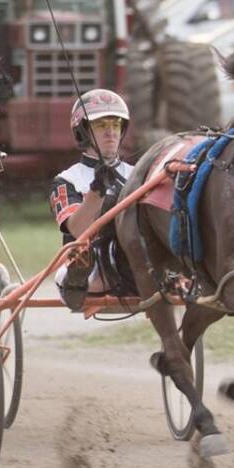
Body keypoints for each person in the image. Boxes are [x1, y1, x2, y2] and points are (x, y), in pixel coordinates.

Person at [51, 89, 139, 310]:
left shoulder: (140, 173)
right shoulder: (67, 179)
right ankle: (74, 281)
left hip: (136, 256)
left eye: (115, 124)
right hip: (91, 263)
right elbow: (77, 228)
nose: (111, 132)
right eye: (101, 125)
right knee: (78, 262)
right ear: (83, 132)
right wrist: (97, 191)